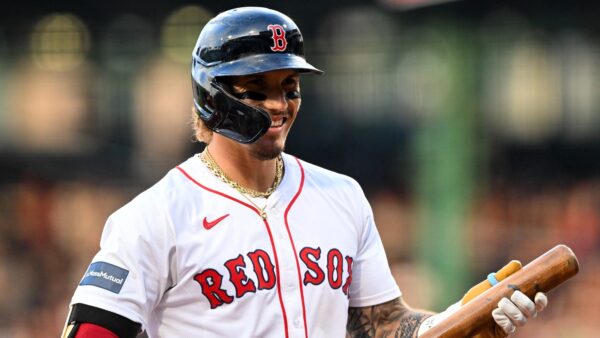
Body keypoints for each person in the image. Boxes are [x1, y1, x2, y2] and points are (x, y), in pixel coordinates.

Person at [62, 7, 548, 338]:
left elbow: (379, 323)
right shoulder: (155, 216)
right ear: (212, 97)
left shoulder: (341, 195)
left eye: (289, 86)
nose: (278, 104)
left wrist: (458, 321)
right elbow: (92, 330)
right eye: (257, 88)